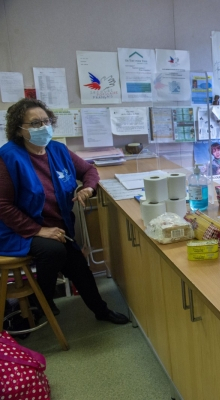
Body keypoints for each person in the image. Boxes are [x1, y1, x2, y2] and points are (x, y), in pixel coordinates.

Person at [0, 98, 128, 324]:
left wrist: (87, 188)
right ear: (19, 130)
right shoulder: (8, 157)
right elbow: (3, 206)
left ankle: (100, 311)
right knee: (55, 251)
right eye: (35, 123)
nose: (43, 127)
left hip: (57, 228)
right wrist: (38, 231)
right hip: (17, 230)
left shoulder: (58, 150)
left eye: (46, 121)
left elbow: (89, 170)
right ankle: (41, 304)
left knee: (78, 264)